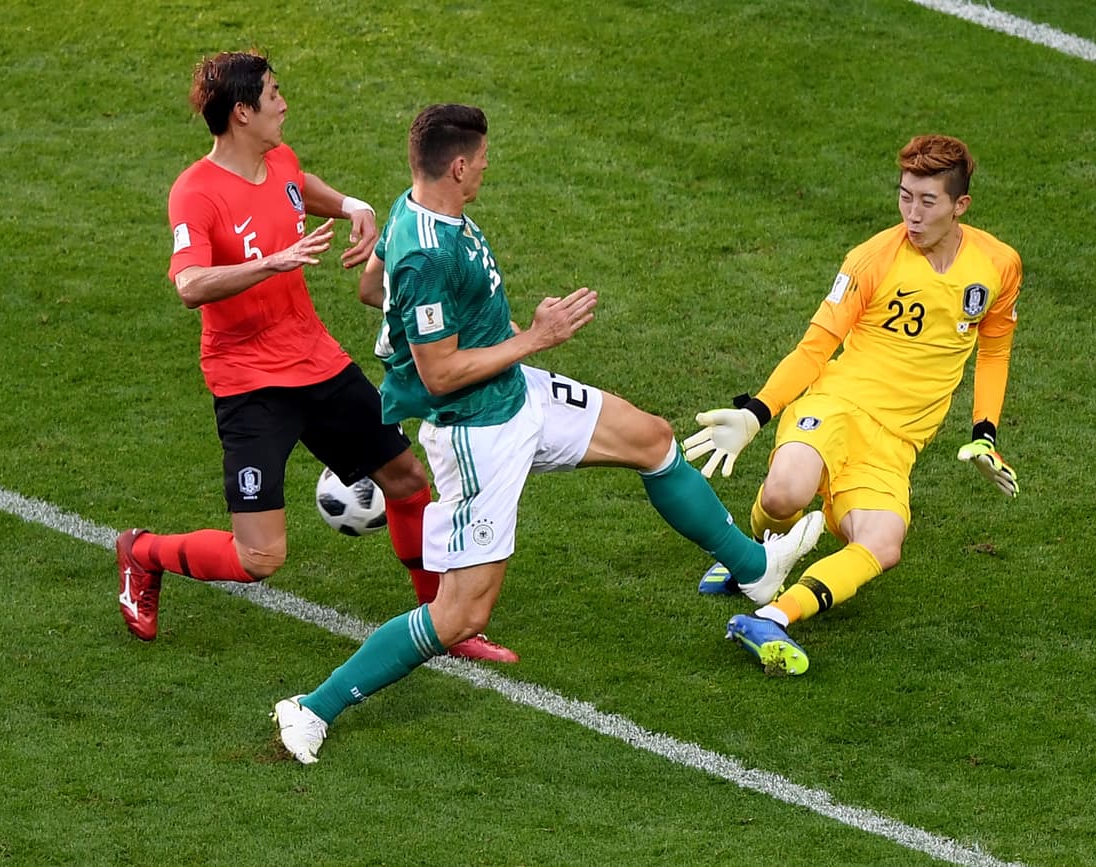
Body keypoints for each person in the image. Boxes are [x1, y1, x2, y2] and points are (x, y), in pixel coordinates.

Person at [272, 103, 823, 764]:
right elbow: (440, 372)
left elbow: (372, 291)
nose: (484, 170)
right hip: (478, 433)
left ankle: (755, 569)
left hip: (514, 389)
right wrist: (537, 336)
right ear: (455, 165)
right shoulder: (426, 250)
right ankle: (311, 707)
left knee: (650, 438)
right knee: (460, 618)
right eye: (479, 161)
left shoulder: (415, 209)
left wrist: (428, 313)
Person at [116, 52, 516, 663]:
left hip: (317, 363)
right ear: (242, 112)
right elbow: (189, 284)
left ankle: (446, 624)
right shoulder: (194, 193)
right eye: (273, 94)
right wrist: (267, 265)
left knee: (408, 482)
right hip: (250, 385)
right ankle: (142, 554)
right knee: (260, 559)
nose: (283, 104)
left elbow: (299, 187)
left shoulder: (278, 159)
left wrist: (355, 205)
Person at [683, 134, 1021, 677]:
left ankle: (771, 617)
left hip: (896, 444)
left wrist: (985, 432)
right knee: (786, 491)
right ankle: (750, 556)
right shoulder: (871, 259)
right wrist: (756, 412)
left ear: (960, 206)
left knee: (884, 544)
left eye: (927, 201)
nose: (912, 213)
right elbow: (816, 346)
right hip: (837, 406)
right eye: (904, 196)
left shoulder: (998, 265)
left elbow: (995, 349)